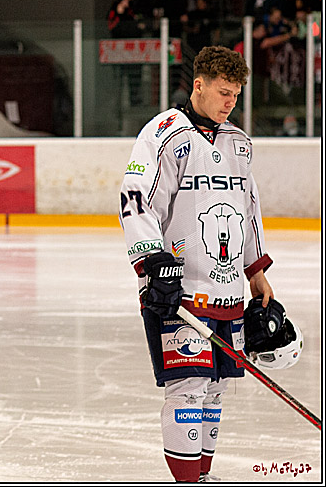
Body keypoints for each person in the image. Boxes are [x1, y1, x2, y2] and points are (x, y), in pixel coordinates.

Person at [120, 46, 279, 483]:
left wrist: (256, 272)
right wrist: (153, 263)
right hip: (179, 291)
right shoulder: (164, 134)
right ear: (198, 85)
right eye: (223, 92)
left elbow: (249, 210)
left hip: (227, 289)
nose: (230, 102)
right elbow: (135, 198)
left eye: (236, 94)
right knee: (188, 387)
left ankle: (203, 476)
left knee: (214, 390)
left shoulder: (239, 144)